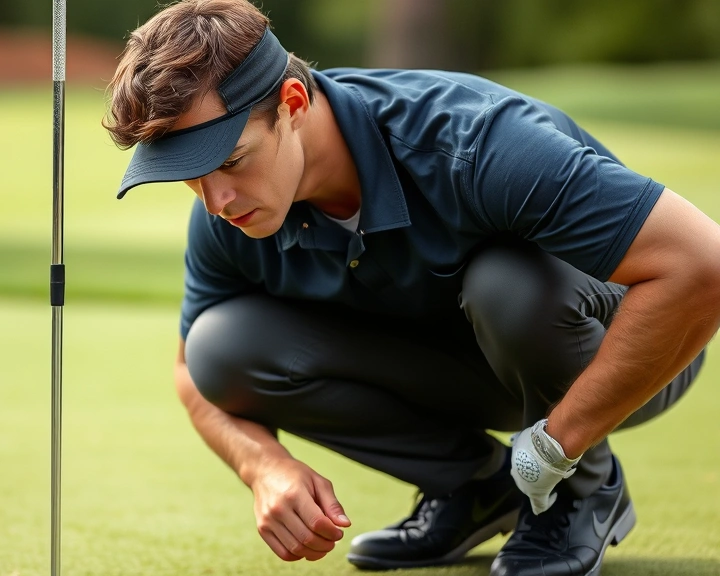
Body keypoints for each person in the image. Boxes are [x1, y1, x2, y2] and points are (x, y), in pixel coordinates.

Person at [103, 1, 720, 574]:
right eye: (190, 177)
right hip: (468, 361)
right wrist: (263, 464)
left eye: (232, 161)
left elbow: (701, 266)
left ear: (292, 102)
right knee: (221, 348)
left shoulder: (473, 142)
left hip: (620, 347)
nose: (217, 202)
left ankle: (581, 490)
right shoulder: (229, 213)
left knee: (507, 283)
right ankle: (477, 489)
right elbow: (191, 371)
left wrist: (560, 444)